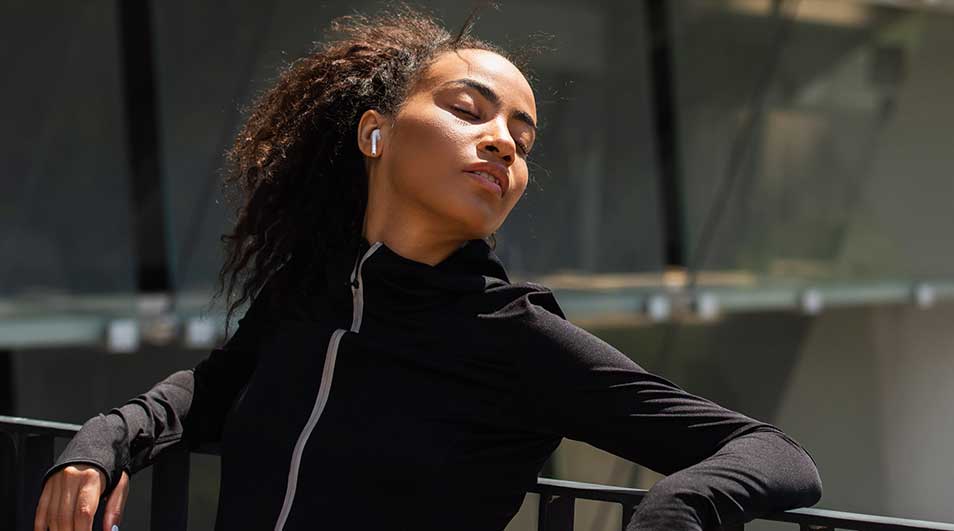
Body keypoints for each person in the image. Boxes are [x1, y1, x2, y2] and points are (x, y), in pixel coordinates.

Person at [33, 3, 822, 530]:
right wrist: (104, 439)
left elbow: (776, 452)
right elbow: (210, 387)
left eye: (523, 136)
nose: (506, 143)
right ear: (375, 134)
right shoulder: (312, 291)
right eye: (469, 111)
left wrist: (674, 509)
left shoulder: (516, 336)